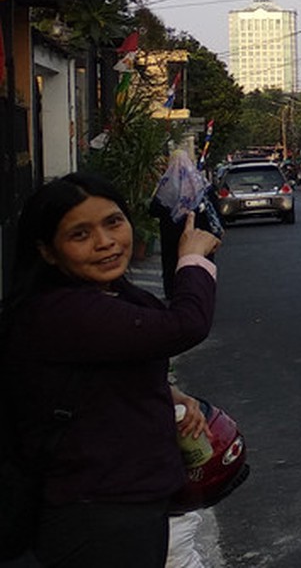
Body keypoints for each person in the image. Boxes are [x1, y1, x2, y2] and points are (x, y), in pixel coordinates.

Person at [0, 171, 221, 568]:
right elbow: (184, 325)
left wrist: (168, 394)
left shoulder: (108, 293)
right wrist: (192, 259)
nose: (106, 243)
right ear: (48, 251)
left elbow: (104, 366)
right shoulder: (62, 310)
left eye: (113, 222)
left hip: (129, 505)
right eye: (80, 234)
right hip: (97, 514)